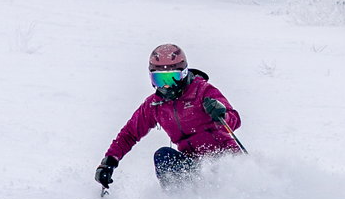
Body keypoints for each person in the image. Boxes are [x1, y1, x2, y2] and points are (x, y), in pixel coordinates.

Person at [95, 43, 242, 190]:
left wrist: (221, 114)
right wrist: (109, 161)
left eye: (172, 78)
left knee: (217, 176)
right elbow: (129, 133)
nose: (166, 86)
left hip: (224, 162)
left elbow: (235, 120)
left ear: (183, 74)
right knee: (164, 156)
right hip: (194, 166)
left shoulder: (202, 91)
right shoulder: (155, 105)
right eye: (159, 79)